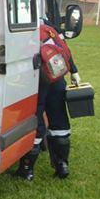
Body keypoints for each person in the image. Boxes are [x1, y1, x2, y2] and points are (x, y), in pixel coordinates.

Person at [17, 22, 81, 180]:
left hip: (36, 82)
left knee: (37, 121)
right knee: (59, 122)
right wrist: (74, 71)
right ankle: (62, 165)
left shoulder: (23, 30)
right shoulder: (50, 30)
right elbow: (65, 50)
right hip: (57, 79)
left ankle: (27, 169)